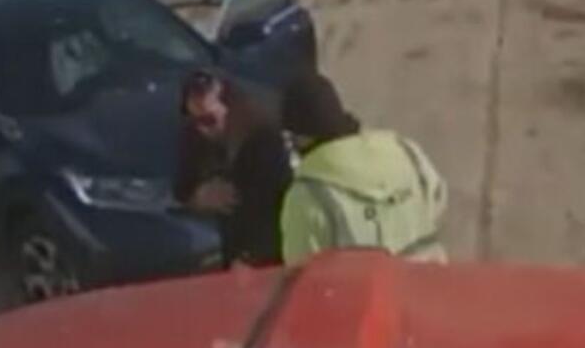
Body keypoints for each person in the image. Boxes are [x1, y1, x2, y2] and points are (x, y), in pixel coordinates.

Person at [278, 72, 448, 265]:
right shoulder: (405, 150)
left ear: (301, 137)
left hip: (361, 295)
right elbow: (438, 201)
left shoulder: (307, 196)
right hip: (428, 286)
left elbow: (303, 276)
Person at [174, 70, 293, 266]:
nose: (201, 128)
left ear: (229, 109)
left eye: (209, 120)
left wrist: (249, 256)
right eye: (193, 119)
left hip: (262, 252)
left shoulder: (262, 142)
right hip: (223, 244)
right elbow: (180, 188)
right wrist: (197, 197)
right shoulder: (194, 138)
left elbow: (270, 204)